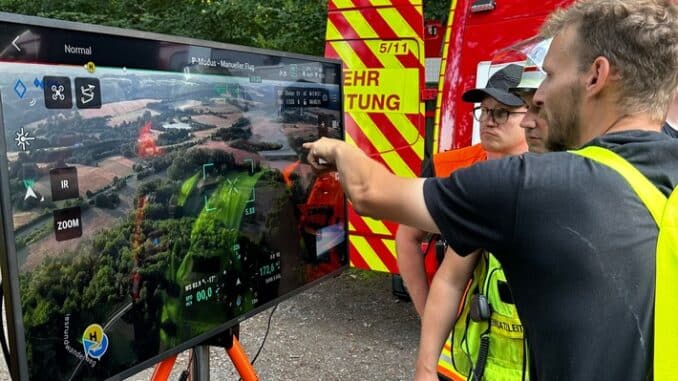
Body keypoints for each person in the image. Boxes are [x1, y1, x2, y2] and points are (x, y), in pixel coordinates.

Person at [303, 1, 678, 379]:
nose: (541, 97)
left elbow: (370, 192)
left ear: (596, 76)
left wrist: (336, 148)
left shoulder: (533, 185)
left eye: (549, 75)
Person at [395, 64, 529, 381]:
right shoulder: (453, 168)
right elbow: (409, 239)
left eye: (503, 113)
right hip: (467, 345)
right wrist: (428, 315)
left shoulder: (558, 172)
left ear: (534, 115)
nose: (489, 121)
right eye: (485, 110)